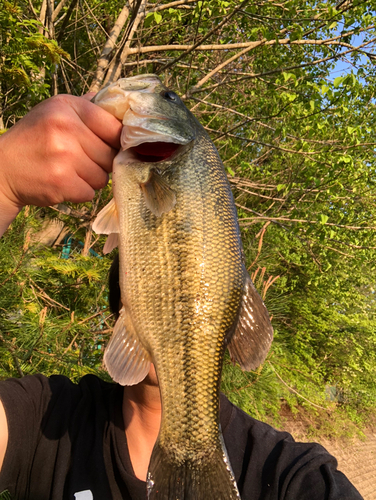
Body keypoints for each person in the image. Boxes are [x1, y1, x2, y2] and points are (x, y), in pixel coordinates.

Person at [0, 94, 363, 500]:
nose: (182, 306)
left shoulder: (287, 473)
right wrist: (4, 183)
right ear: (122, 305)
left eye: (165, 98)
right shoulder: (44, 418)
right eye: (163, 288)